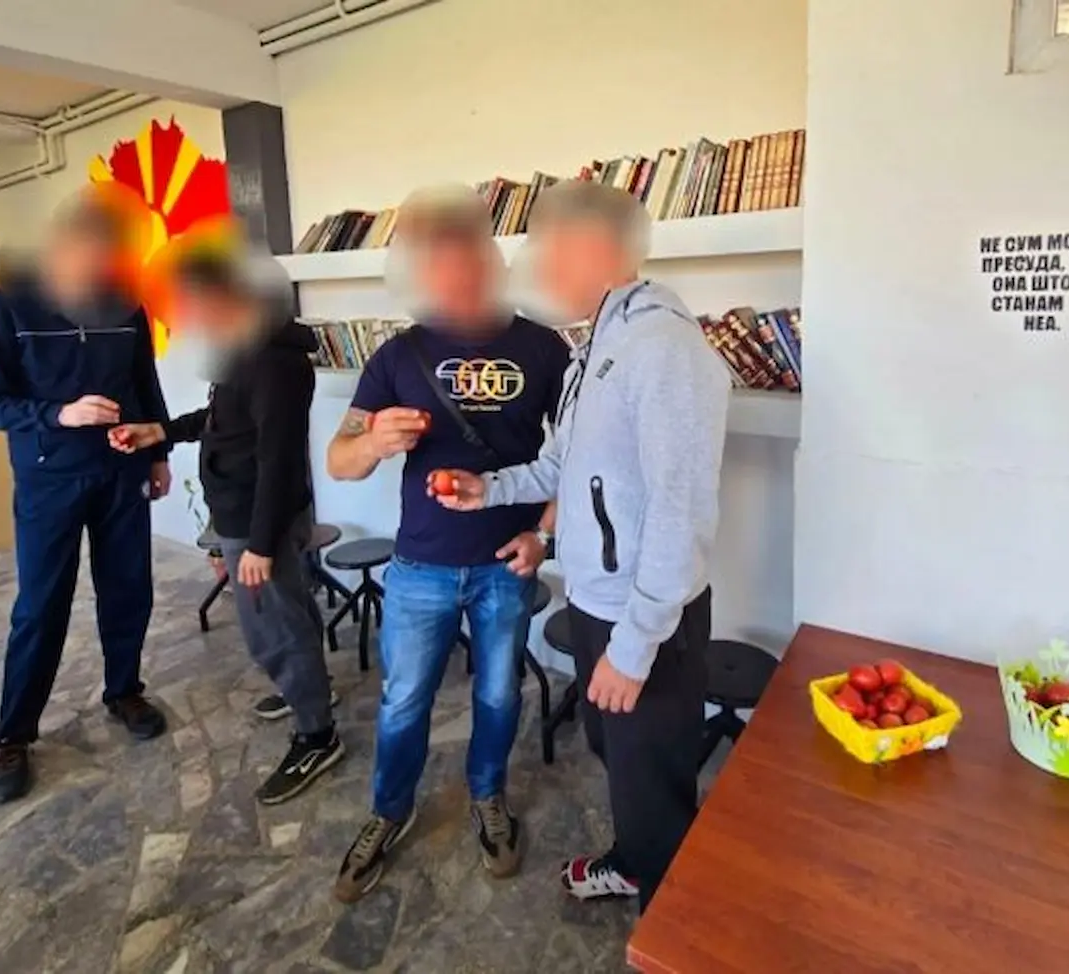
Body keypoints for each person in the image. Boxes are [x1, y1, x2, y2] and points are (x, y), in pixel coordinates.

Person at [434, 180, 730, 911]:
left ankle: (671, 921)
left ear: (597, 248)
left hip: (645, 618)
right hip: (601, 602)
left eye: (549, 248)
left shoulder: (662, 348)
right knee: (620, 759)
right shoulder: (598, 343)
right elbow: (561, 466)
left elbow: (680, 511)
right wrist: (487, 489)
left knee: (652, 777)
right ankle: (635, 863)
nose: (535, 265)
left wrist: (635, 644)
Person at [327, 185, 566, 904]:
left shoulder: (545, 348)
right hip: (419, 568)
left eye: (469, 256)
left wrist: (543, 534)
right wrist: (373, 440)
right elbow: (339, 460)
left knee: (498, 694)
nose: (457, 275)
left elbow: (584, 455)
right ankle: (389, 811)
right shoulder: (398, 354)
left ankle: (487, 796)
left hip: (505, 565)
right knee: (403, 702)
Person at [109, 247, 344, 805]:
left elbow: (278, 459)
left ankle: (317, 735)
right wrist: (160, 432)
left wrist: (260, 545)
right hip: (251, 515)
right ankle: (312, 691)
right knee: (290, 614)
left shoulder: (273, 363)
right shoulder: (245, 350)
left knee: (274, 631)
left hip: (259, 522)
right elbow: (224, 423)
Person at [0, 187, 172, 804]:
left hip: (121, 472)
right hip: (49, 481)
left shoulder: (126, 304)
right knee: (41, 605)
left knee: (129, 588)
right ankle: (13, 735)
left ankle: (124, 690)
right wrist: (59, 414)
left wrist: (158, 453)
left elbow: (145, 382)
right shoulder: (7, 307)